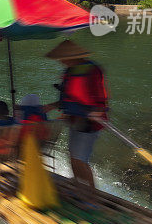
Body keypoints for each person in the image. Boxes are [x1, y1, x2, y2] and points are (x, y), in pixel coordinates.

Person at [44, 40, 109, 189]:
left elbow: (100, 96)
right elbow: (67, 98)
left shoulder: (92, 70)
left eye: (63, 58)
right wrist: (51, 106)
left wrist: (96, 111)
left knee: (80, 159)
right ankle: (78, 183)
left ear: (72, 57)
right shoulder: (70, 71)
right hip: (75, 120)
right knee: (73, 157)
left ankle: (92, 194)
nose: (61, 61)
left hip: (89, 123)